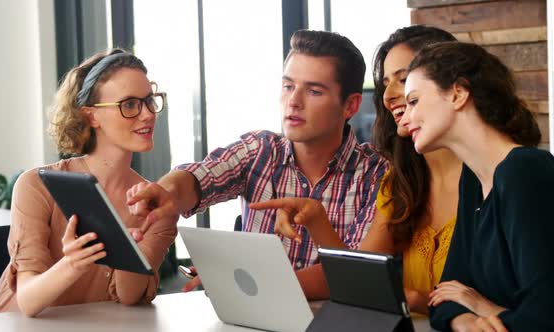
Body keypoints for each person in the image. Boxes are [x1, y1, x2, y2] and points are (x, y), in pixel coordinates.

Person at [127, 30, 387, 292]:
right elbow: (200, 177)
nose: (293, 102)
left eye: (314, 91)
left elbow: (357, 274)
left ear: (351, 106)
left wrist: (245, 280)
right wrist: (167, 192)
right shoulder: (260, 151)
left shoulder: (376, 175)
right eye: (288, 86)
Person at [250, 25, 461, 314]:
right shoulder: (398, 183)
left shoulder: (495, 179)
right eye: (386, 82)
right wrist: (315, 218)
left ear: (456, 89)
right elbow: (359, 280)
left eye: (404, 79)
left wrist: (419, 301)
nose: (388, 96)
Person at [401, 41, 554, 331]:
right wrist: (469, 322)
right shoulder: (473, 179)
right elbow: (444, 297)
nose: (405, 118)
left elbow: (546, 320)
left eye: (413, 101)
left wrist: (481, 306)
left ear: (458, 94)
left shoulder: (524, 173)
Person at [0, 49, 177, 316]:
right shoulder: (35, 185)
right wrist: (73, 264)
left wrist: (137, 232)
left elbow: (129, 296)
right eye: (129, 104)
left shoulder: (157, 204)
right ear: (91, 116)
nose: (148, 114)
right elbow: (28, 301)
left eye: (150, 101)